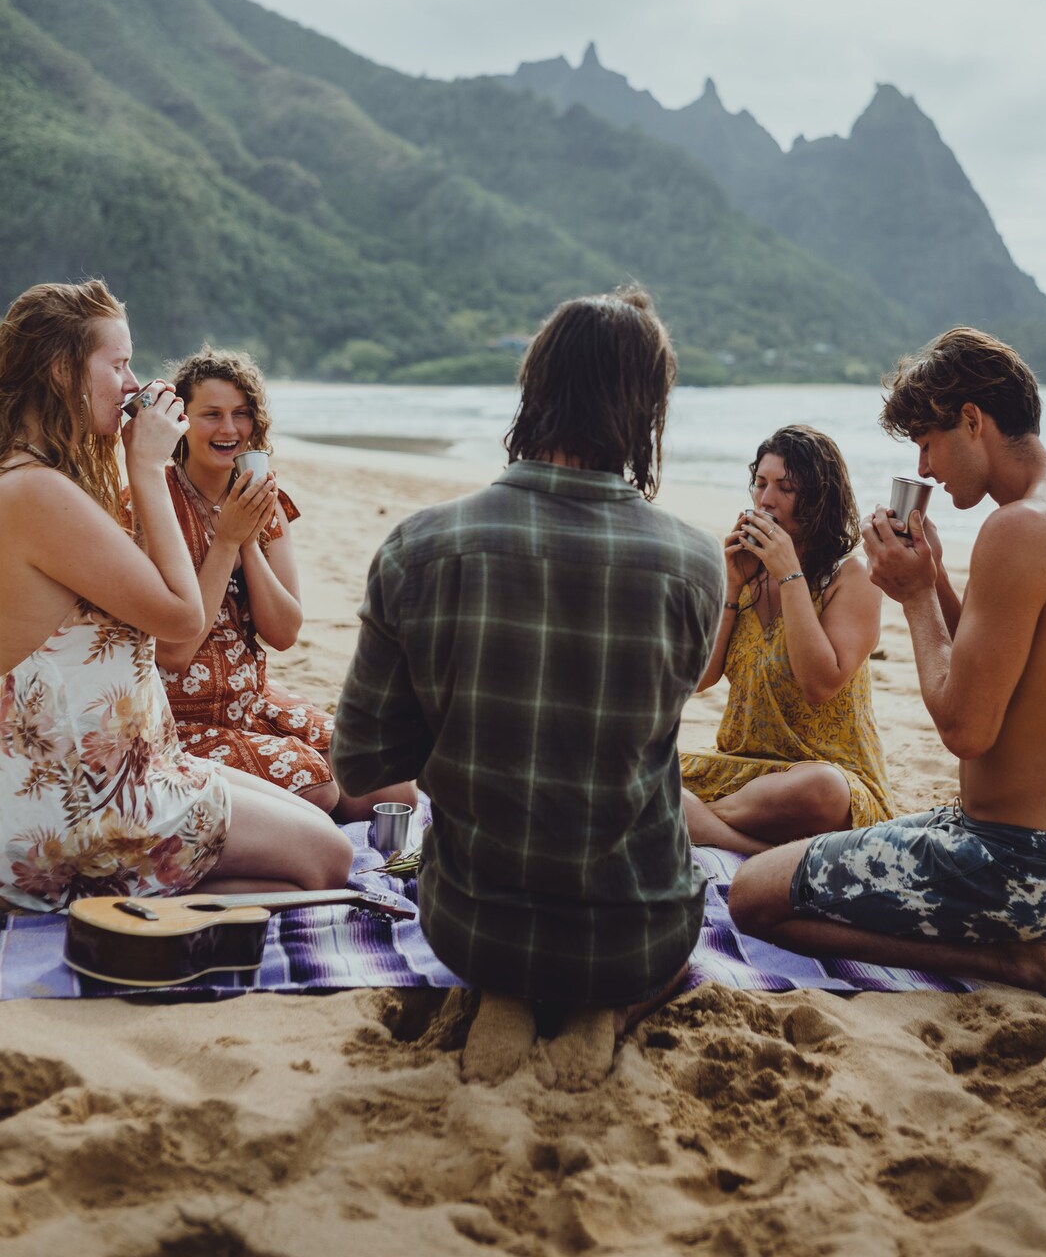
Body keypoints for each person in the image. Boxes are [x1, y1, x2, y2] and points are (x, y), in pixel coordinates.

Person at [333, 287, 724, 1083]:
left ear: (534, 389)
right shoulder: (694, 564)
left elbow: (360, 764)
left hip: (476, 922)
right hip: (637, 924)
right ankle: (600, 1008)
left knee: (499, 888)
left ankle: (503, 992)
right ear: (645, 410)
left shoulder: (421, 547)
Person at [728, 327, 1046, 1005]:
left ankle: (1018, 963)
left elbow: (966, 728)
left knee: (755, 893)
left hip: (1017, 861)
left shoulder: (1016, 530)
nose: (926, 469)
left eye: (927, 444)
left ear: (973, 420)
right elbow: (1006, 672)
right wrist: (930, 578)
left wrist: (911, 598)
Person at [0, 281, 351, 912]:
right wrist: (148, 469)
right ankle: (104, 904)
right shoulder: (36, 495)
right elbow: (183, 618)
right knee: (330, 861)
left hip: (130, 766)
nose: (134, 385)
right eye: (119, 364)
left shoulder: (40, 480)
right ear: (61, 371)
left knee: (323, 821)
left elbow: (281, 628)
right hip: (85, 800)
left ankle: (129, 894)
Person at [152, 347, 414, 822]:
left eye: (241, 414)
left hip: (252, 701)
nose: (229, 429)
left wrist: (247, 540)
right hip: (178, 717)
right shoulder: (153, 502)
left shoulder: (265, 501)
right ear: (182, 422)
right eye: (211, 414)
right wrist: (226, 540)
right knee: (318, 788)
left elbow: (284, 632)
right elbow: (173, 650)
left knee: (390, 785)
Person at [680, 425, 893, 853]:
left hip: (821, 776)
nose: (765, 500)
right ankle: (751, 848)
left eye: (786, 487)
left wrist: (789, 572)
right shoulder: (746, 575)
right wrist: (732, 585)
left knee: (821, 791)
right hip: (738, 771)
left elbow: (820, 683)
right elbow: (699, 678)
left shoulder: (851, 577)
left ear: (818, 500)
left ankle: (690, 824)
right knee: (638, 766)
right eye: (760, 483)